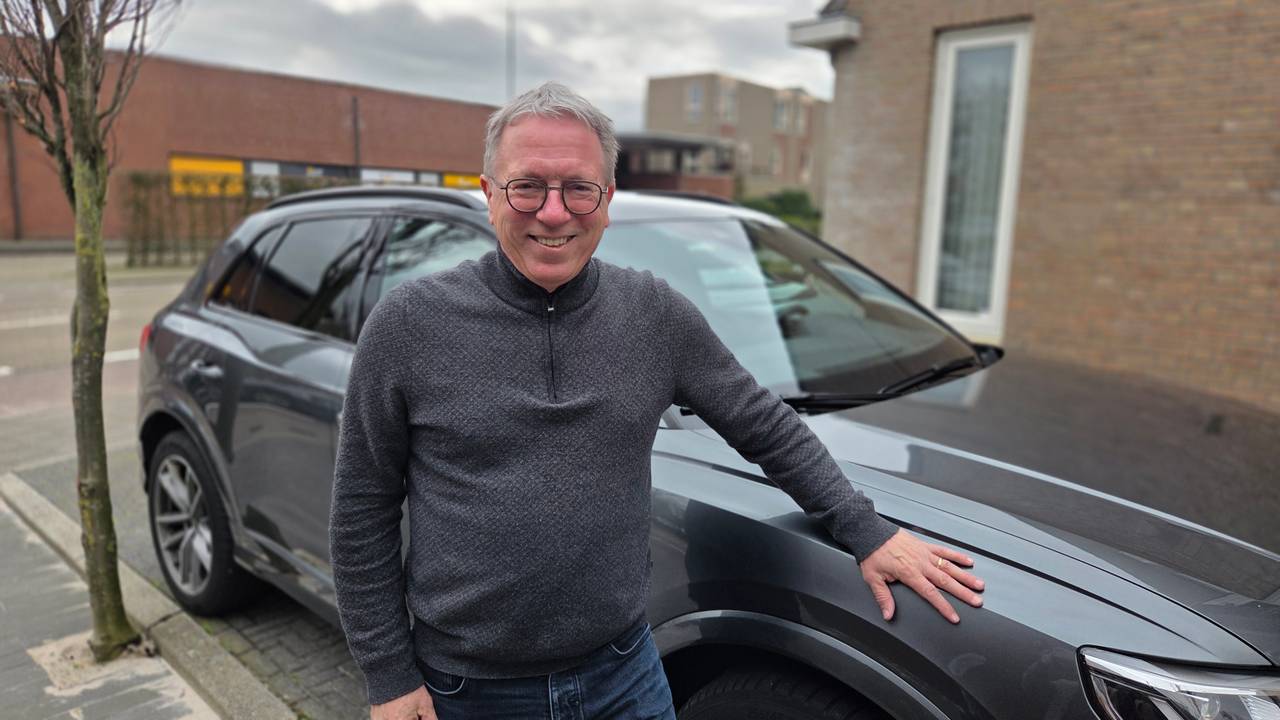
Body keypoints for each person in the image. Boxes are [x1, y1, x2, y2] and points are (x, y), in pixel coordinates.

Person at [330, 81, 985, 720]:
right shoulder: (411, 325)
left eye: (579, 188)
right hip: (467, 692)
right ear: (489, 193)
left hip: (624, 676)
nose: (553, 213)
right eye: (527, 186)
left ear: (607, 199)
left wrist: (864, 530)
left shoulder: (654, 316)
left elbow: (764, 425)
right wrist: (389, 676)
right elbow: (362, 508)